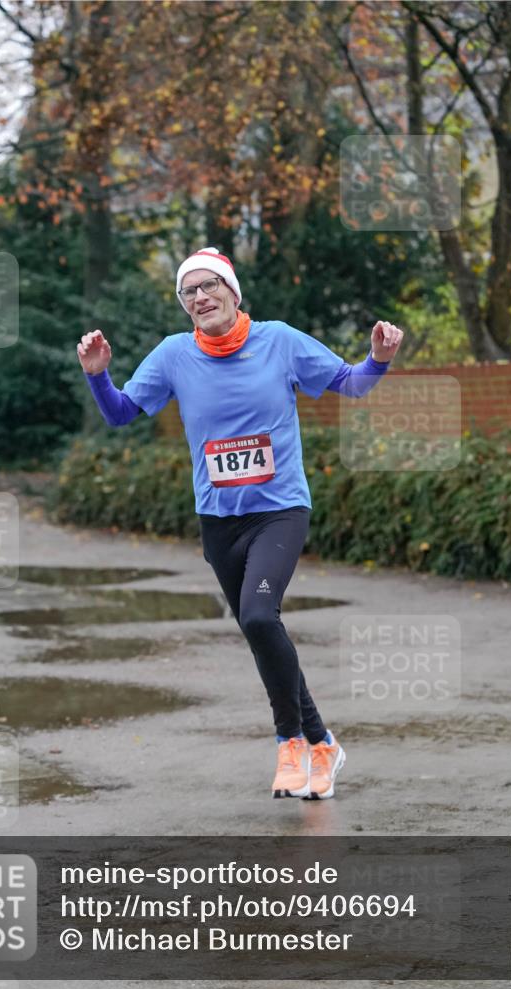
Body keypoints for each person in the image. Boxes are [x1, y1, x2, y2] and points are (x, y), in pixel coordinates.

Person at [76, 248, 403, 800]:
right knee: (259, 630)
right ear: (184, 305)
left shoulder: (278, 340)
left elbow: (350, 383)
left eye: (210, 286)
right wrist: (98, 376)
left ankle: (290, 741)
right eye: (189, 292)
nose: (200, 297)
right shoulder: (174, 355)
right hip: (219, 521)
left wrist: (379, 358)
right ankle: (323, 743)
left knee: (257, 612)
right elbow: (121, 413)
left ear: (233, 290)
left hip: (279, 510)